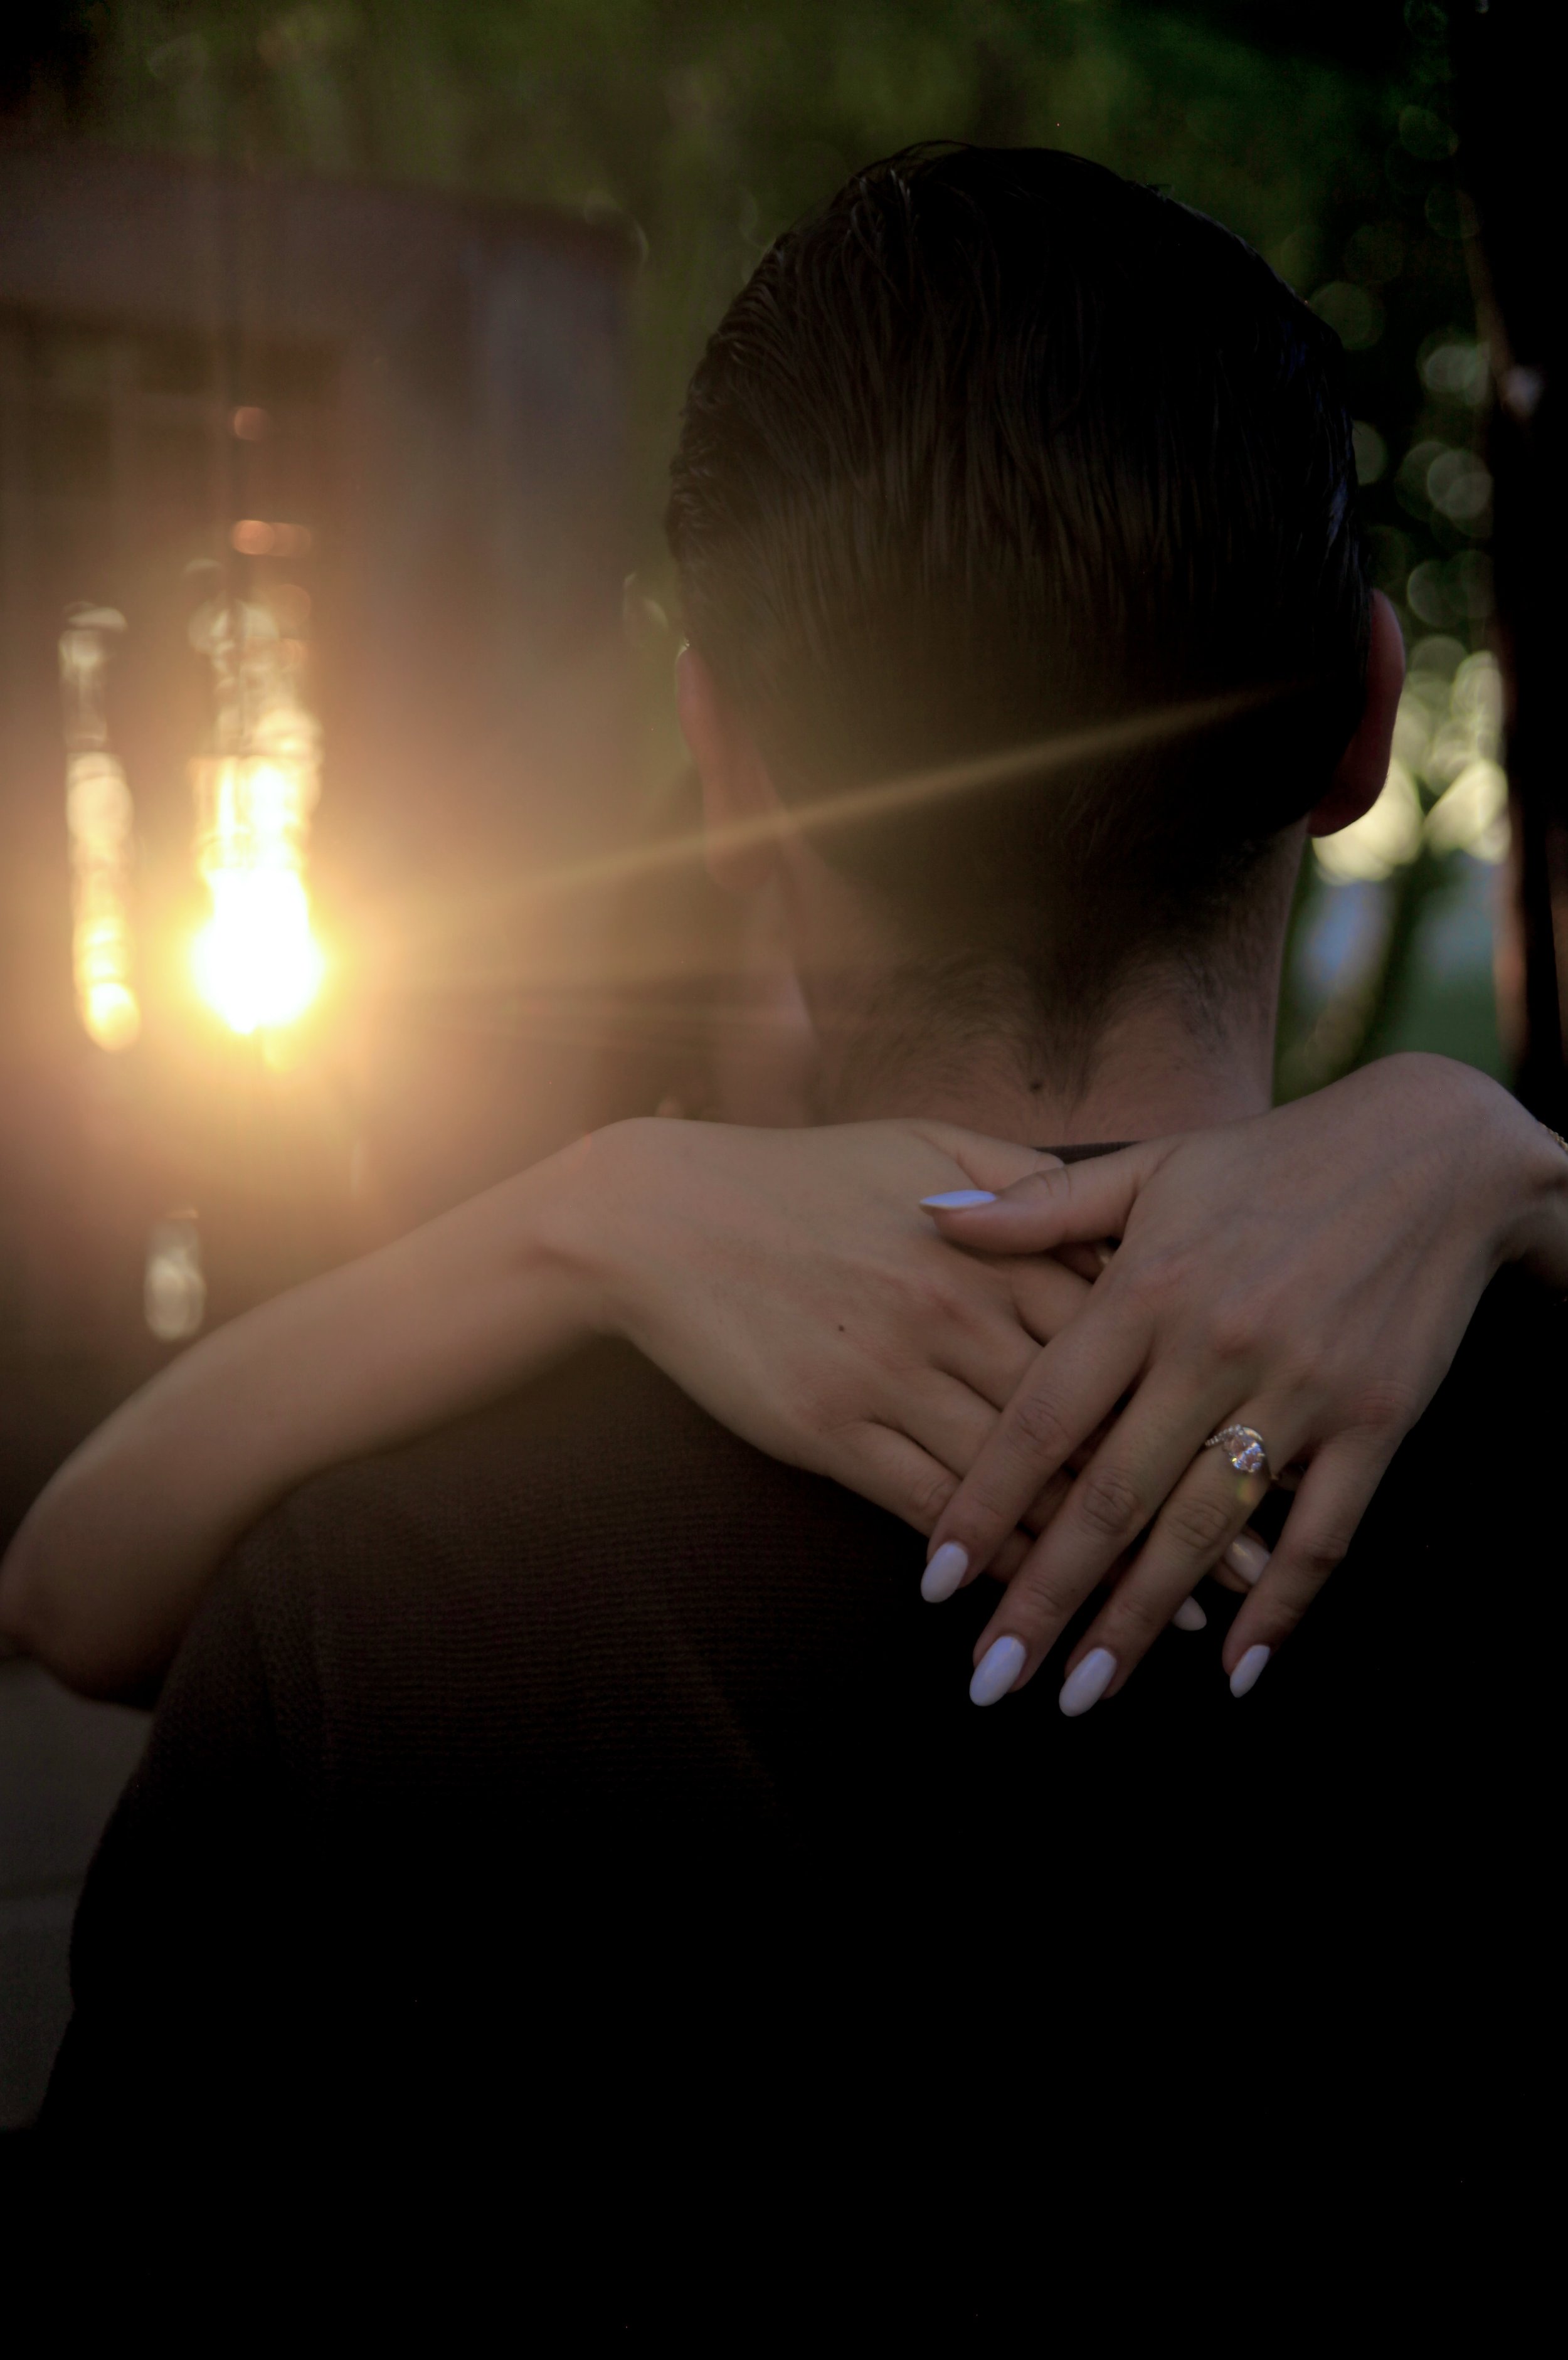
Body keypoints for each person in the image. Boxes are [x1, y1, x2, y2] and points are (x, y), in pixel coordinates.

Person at [20, 147, 1564, 2313]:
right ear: (1366, 719)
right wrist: (1500, 1159)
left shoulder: (374, 1582)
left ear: (731, 768)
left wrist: (574, 1219)